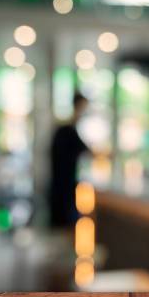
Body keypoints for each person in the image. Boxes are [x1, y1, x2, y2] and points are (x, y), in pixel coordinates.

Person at [48, 94, 91, 229]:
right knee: (66, 224)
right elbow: (85, 150)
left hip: (64, 185)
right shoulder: (66, 131)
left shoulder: (67, 130)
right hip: (63, 188)